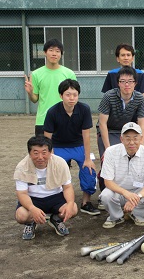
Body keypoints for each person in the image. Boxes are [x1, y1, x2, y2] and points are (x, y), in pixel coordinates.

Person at [101, 43, 144, 193]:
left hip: (133, 124)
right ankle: (107, 190)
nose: (126, 57)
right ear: (117, 58)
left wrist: (142, 115)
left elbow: (143, 97)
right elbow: (106, 103)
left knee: (142, 153)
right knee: (109, 156)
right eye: (122, 55)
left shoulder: (140, 74)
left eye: (128, 55)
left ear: (132, 57)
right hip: (114, 125)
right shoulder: (112, 75)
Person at [43, 79, 99, 216]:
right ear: (61, 95)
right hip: (58, 146)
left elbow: (86, 136)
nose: (72, 98)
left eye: (75, 94)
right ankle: (58, 201)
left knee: (89, 170)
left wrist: (87, 158)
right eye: (68, 94)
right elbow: (47, 138)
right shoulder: (52, 112)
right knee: (55, 170)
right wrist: (50, 157)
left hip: (78, 145)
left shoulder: (84, 109)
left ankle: (86, 202)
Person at [14, 136, 78, 240]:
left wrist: (70, 204)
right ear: (29, 153)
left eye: (44, 152)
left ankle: (56, 219)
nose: (40, 157)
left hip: (56, 198)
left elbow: (67, 187)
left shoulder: (60, 163)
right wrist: (32, 208)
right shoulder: (22, 167)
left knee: (73, 208)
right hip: (33, 199)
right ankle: (31, 223)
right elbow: (22, 194)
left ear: (51, 151)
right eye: (35, 153)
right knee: (21, 215)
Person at [99, 122, 144, 228]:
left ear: (141, 138)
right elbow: (107, 181)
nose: (131, 142)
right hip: (118, 191)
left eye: (135, 138)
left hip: (139, 192)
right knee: (105, 196)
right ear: (121, 139)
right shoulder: (110, 152)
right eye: (127, 138)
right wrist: (126, 193)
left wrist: (137, 197)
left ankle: (137, 214)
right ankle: (116, 216)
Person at [97, 66, 144, 193]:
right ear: (118, 83)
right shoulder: (109, 96)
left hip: (128, 131)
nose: (126, 84)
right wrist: (107, 148)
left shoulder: (139, 98)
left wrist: (140, 144)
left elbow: (141, 123)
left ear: (135, 83)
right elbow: (102, 123)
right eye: (123, 81)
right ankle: (105, 192)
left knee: (133, 159)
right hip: (109, 131)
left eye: (130, 81)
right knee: (108, 160)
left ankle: (130, 191)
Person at [24, 38, 77, 136]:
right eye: (51, 50)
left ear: (61, 54)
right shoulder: (36, 74)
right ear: (45, 52)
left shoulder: (69, 74)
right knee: (44, 150)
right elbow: (35, 99)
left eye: (57, 51)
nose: (54, 54)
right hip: (43, 120)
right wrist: (30, 93)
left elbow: (74, 97)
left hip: (65, 119)